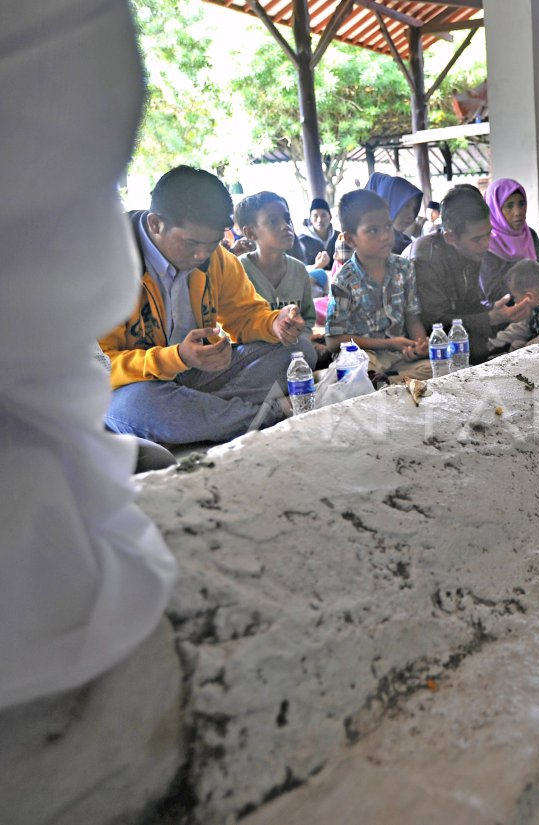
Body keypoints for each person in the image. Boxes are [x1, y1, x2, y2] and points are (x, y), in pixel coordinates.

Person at [1, 0, 177, 716]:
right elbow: (108, 364)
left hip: (104, 394)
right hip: (133, 389)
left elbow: (249, 325)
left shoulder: (215, 268)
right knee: (148, 410)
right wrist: (171, 360)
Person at [102, 166, 311, 446]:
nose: (202, 254)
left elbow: (244, 315)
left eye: (212, 243)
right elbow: (97, 367)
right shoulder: (103, 265)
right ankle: (271, 412)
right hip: (132, 388)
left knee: (299, 350)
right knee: (144, 408)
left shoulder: (216, 258)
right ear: (155, 224)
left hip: (199, 376)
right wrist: (177, 357)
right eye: (191, 243)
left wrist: (275, 323)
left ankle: (204, 414)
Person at [411, 185, 533, 365]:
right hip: (428, 337)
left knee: (526, 325)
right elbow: (433, 321)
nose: (486, 244)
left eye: (488, 234)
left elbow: (470, 304)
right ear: (450, 237)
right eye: (477, 239)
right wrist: (490, 317)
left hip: (458, 323)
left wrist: (498, 312)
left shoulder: (469, 250)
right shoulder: (426, 257)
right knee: (476, 348)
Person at [325, 189, 430, 380]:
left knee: (440, 367)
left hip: (400, 355)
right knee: (356, 375)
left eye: (388, 226)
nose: (385, 236)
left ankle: (388, 380)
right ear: (350, 239)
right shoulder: (344, 280)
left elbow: (412, 318)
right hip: (366, 355)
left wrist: (419, 346)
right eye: (373, 230)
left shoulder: (404, 268)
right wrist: (387, 343)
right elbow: (333, 341)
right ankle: (388, 380)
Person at [236, 192, 318, 326]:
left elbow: (308, 319)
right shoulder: (238, 271)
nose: (286, 226)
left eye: (287, 219)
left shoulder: (299, 269)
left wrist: (300, 336)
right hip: (252, 346)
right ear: (250, 233)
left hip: (295, 344)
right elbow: (233, 326)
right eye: (273, 221)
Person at [479, 178, 539, 305]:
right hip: (503, 314)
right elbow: (493, 293)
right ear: (494, 209)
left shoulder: (530, 235)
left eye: (521, 204)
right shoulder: (488, 243)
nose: (518, 212)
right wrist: (531, 295)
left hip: (536, 305)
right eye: (509, 206)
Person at [365, 171, 423, 255]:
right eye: (406, 206)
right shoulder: (359, 247)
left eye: (414, 209)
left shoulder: (406, 243)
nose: (411, 215)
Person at [296, 197, 337, 269]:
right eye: (315, 216)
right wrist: (316, 266)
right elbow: (297, 270)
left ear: (330, 217)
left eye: (323, 215)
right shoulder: (301, 241)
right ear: (310, 218)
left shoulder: (338, 237)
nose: (320, 220)